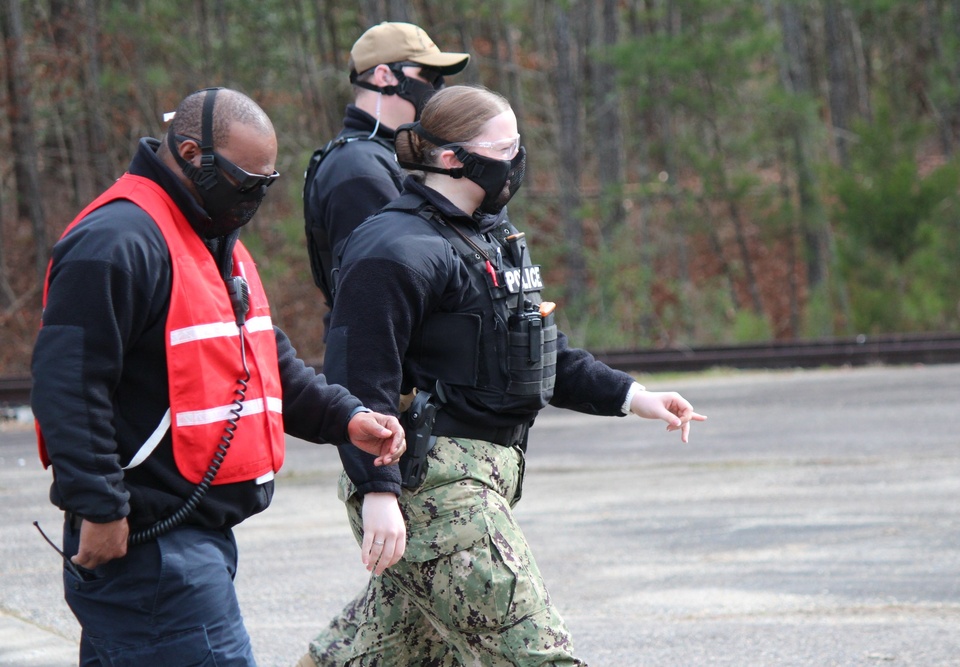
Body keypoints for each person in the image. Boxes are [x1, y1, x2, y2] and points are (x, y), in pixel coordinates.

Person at [298, 85, 706, 666]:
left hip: (483, 477)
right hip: (435, 487)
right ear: (450, 158)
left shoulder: (487, 235)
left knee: (374, 657)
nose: (517, 160)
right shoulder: (394, 249)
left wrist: (633, 395)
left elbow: (534, 351)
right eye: (504, 147)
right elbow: (361, 382)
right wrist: (378, 492)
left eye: (520, 145)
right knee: (537, 655)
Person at [30, 86, 406, 666]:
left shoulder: (207, 239)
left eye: (265, 184)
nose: (253, 198)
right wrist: (101, 507)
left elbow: (262, 361)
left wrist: (345, 417)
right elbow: (68, 387)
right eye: (243, 182)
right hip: (149, 547)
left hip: (191, 542)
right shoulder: (115, 240)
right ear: (189, 153)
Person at [303, 21, 469, 318]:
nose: (438, 88)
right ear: (384, 76)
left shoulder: (391, 154)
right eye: (429, 76)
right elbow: (376, 289)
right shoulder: (358, 166)